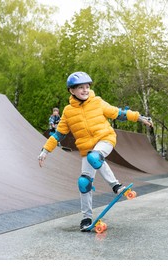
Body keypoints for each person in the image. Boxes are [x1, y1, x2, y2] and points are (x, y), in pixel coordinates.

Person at [38, 71, 152, 231]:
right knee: (84, 182)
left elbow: (118, 113)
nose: (85, 90)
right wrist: (45, 150)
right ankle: (86, 218)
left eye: (87, 87)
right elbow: (59, 134)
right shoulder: (68, 111)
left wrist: (139, 117)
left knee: (94, 157)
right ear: (72, 90)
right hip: (87, 149)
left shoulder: (97, 102)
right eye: (80, 88)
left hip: (105, 140)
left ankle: (116, 186)